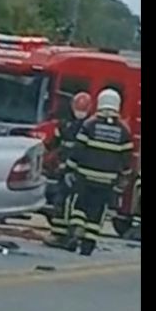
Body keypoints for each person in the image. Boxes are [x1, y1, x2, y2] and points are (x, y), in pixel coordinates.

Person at [61, 88, 134, 256]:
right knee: (97, 211)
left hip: (84, 175)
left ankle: (77, 227)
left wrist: (69, 169)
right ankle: (88, 244)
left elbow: (78, 150)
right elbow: (126, 158)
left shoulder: (89, 125)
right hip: (107, 181)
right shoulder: (124, 131)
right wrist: (125, 176)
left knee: (79, 204)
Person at [45, 92, 93, 247]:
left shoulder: (67, 125)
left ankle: (61, 236)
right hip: (79, 171)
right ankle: (72, 233)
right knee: (76, 204)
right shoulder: (89, 126)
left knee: (62, 202)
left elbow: (54, 144)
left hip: (68, 169)